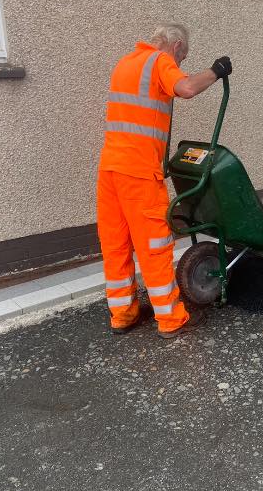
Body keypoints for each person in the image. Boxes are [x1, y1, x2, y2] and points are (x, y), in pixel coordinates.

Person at [97, 22, 232, 338]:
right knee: (154, 246)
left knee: (116, 244)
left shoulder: (125, 63)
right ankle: (171, 318)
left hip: (110, 169)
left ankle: (123, 314)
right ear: (177, 46)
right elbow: (184, 88)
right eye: (182, 58)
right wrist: (216, 70)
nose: (179, 66)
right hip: (139, 172)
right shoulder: (159, 61)